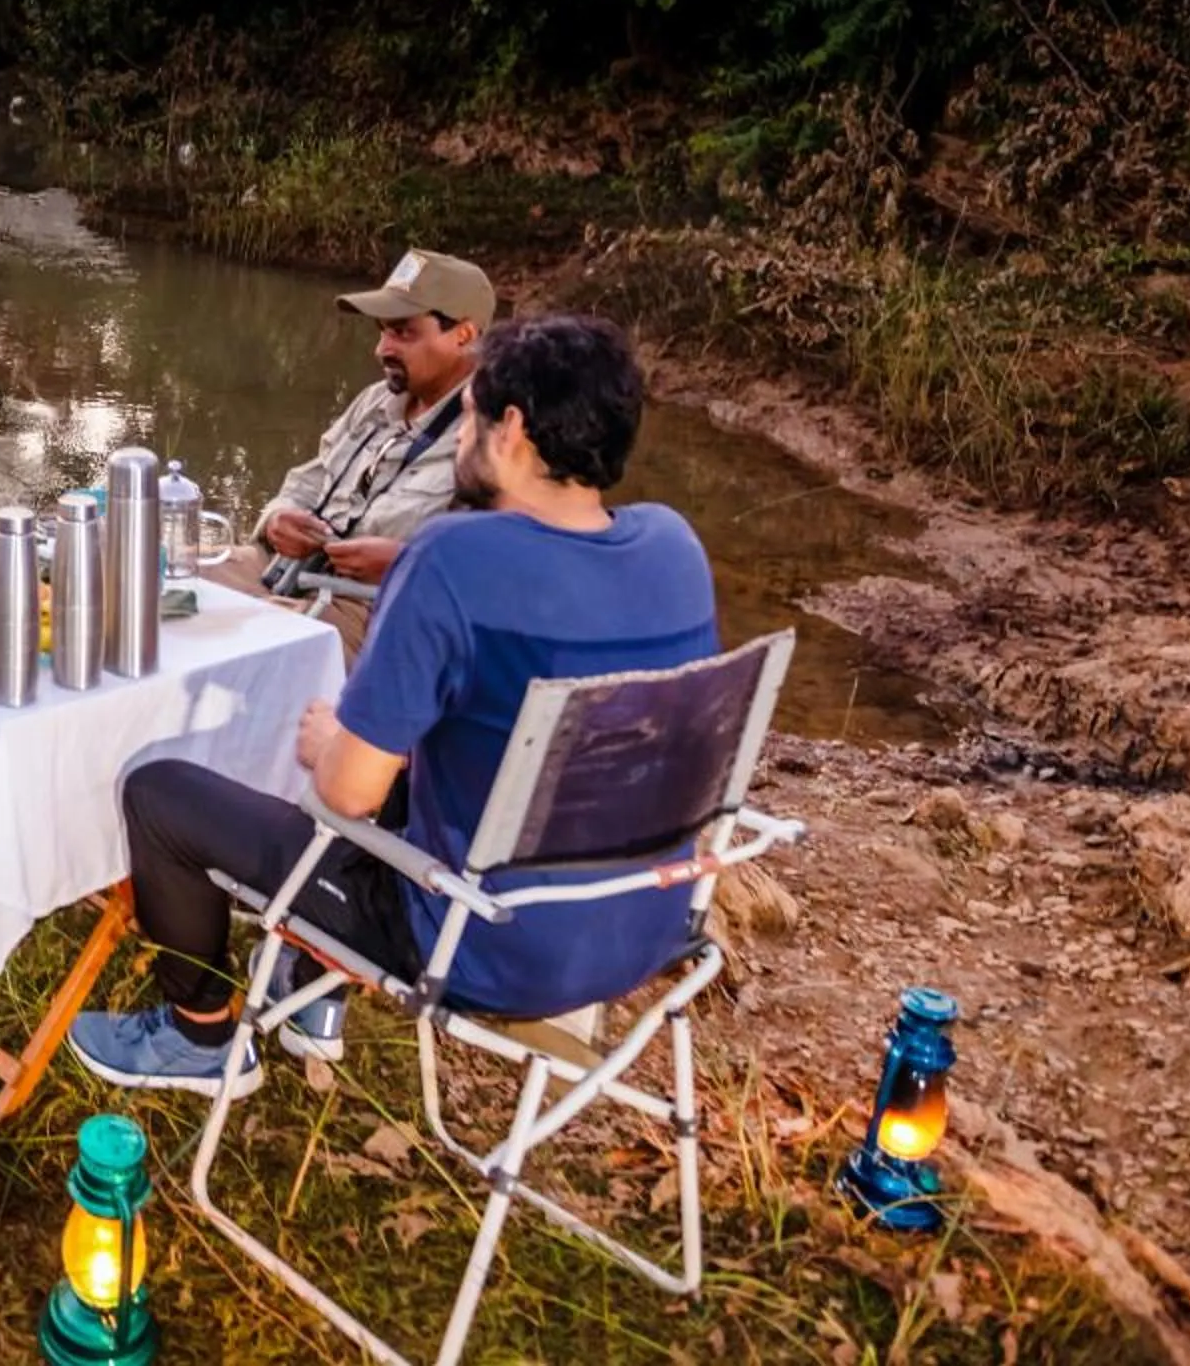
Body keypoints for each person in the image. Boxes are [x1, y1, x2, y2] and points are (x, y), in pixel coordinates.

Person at [69, 312, 717, 1095]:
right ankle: (308, 995)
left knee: (161, 791)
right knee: (401, 767)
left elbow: (348, 792)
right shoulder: (672, 544)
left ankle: (199, 1035)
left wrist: (328, 743)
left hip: (477, 940)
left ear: (510, 429)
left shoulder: (451, 559)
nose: (463, 435)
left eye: (474, 415)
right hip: (645, 924)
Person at [205, 248, 494, 658]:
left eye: (403, 333)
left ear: (463, 335)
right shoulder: (376, 400)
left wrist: (405, 564)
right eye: (382, 331)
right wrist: (277, 521)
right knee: (161, 581)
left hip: (381, 615)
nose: (382, 349)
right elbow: (310, 479)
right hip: (285, 573)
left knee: (245, 647)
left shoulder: (495, 432)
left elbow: (501, 567)